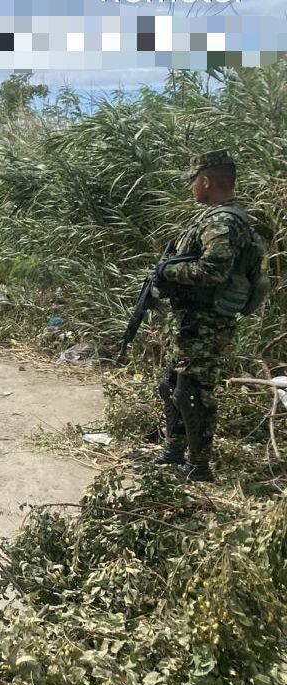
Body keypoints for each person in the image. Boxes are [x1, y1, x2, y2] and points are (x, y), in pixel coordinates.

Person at [153, 150, 260, 482]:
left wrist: (168, 272)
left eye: (193, 181)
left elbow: (213, 270)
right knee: (170, 385)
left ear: (206, 180)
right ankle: (174, 450)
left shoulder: (223, 220)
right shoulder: (213, 216)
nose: (191, 187)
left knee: (194, 392)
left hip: (205, 323)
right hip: (190, 321)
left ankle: (198, 466)